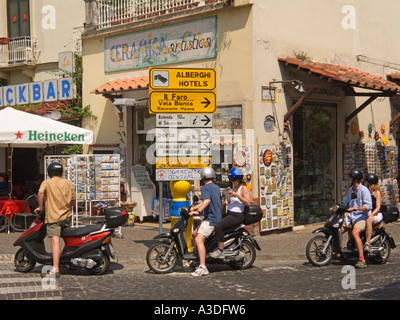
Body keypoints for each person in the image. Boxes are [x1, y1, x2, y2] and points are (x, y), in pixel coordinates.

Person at [35, 162, 76, 278]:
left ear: (49, 172)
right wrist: (68, 208)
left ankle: (56, 269)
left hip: (54, 217)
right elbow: (73, 199)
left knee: (55, 241)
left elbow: (40, 192)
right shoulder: (68, 182)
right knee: (68, 240)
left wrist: (40, 207)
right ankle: (66, 261)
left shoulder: (47, 182)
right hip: (66, 217)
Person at [210, 168, 251, 259]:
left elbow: (248, 202)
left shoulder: (243, 188)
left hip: (237, 215)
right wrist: (226, 196)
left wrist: (237, 195)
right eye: (232, 180)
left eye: (235, 180)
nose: (233, 182)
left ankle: (220, 251)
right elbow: (231, 202)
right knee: (213, 221)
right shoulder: (235, 188)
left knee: (218, 226)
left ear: (239, 179)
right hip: (230, 213)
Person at [189, 167, 222, 277]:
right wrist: (193, 208)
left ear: (203, 177)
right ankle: (197, 259)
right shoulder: (216, 187)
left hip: (212, 219)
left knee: (198, 238)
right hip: (215, 217)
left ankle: (203, 267)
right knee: (194, 234)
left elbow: (207, 201)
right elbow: (205, 201)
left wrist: (198, 211)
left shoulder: (205, 188)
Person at [342, 168, 372, 268]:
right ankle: (337, 252)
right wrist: (337, 207)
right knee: (339, 229)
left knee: (355, 233)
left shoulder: (364, 190)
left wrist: (357, 208)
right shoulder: (351, 190)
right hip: (351, 216)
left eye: (350, 177)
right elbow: (346, 202)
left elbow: (368, 206)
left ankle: (361, 259)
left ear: (355, 179)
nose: (348, 179)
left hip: (361, 216)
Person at [363, 173, 383, 253]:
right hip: (367, 213)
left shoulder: (376, 192)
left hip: (376, 214)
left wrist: (371, 214)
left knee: (369, 221)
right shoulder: (365, 191)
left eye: (365, 181)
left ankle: (367, 243)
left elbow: (378, 207)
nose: (364, 183)